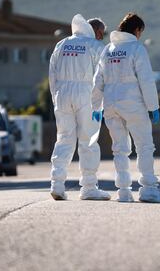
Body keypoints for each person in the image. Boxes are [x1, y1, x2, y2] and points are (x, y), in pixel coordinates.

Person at [92, 13, 160, 203]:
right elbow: (147, 80)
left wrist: (96, 106)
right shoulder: (136, 48)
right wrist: (153, 107)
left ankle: (124, 192)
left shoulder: (108, 49)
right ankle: (149, 189)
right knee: (144, 146)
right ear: (137, 30)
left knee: (119, 149)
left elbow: (97, 81)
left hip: (110, 105)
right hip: (133, 104)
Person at [49, 14, 110, 201]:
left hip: (62, 94)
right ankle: (89, 187)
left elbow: (52, 74)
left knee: (64, 139)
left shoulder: (62, 44)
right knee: (88, 141)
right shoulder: (96, 46)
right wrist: (101, 104)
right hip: (86, 94)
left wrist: (56, 98)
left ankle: (57, 185)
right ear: (97, 31)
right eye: (102, 33)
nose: (103, 36)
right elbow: (103, 77)